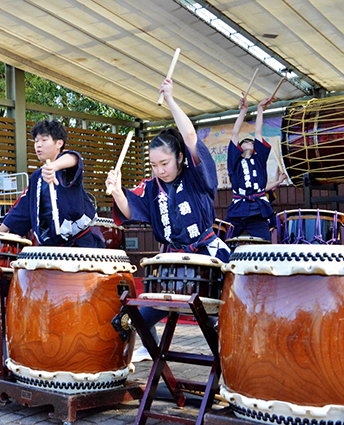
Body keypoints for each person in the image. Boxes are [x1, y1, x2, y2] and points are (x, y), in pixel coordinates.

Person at [106, 78, 230, 361]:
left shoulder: (196, 177)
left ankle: (227, 364)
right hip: (171, 269)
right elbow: (130, 211)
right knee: (131, 320)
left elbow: (189, 137)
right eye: (155, 165)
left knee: (220, 318)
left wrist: (171, 100)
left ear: (180, 160)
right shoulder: (151, 187)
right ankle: (149, 351)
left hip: (208, 262)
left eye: (165, 163)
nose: (160, 170)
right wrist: (116, 191)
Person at [0, 119, 104, 248]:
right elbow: (21, 211)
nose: (38, 145)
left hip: (80, 246)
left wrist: (53, 167)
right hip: (50, 248)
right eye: (36, 141)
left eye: (44, 140)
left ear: (59, 143)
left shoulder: (65, 166)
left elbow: (75, 158)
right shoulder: (36, 177)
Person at [225, 96, 286, 241]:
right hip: (237, 210)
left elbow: (258, 132)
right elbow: (235, 133)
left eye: (251, 142)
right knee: (224, 243)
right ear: (239, 148)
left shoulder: (259, 160)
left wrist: (260, 109)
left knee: (265, 244)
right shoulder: (235, 162)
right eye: (245, 142)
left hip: (258, 211)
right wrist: (243, 111)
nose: (249, 142)